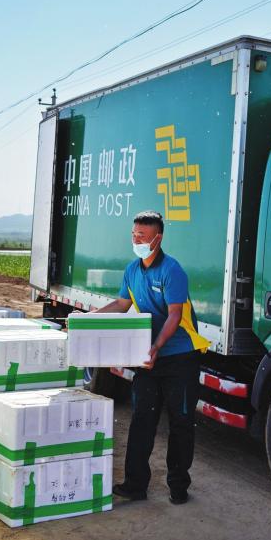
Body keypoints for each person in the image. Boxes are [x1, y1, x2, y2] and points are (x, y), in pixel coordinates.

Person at [92, 210, 209, 505]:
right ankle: (135, 485)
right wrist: (90, 318)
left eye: (142, 236)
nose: (136, 240)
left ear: (158, 238)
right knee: (142, 420)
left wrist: (156, 347)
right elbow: (121, 304)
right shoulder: (132, 269)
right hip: (148, 358)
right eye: (134, 235)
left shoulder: (172, 270)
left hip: (179, 358)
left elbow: (174, 316)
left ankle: (178, 486)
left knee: (181, 422)